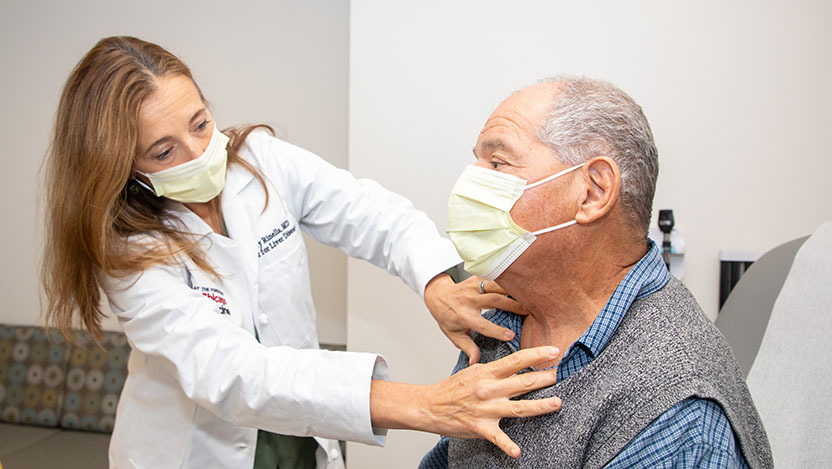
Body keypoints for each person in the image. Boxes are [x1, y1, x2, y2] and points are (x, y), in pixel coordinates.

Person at [40, 36, 564, 469]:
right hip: (196, 451)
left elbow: (369, 213)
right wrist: (427, 405)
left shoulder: (259, 162)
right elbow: (230, 373)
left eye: (200, 123)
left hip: (301, 444)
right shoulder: (126, 249)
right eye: (163, 150)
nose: (200, 153)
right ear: (121, 165)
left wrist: (438, 282)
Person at [421, 77, 773, 468]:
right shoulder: (503, 320)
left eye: (497, 163)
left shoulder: (674, 412)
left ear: (592, 192)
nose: (469, 183)